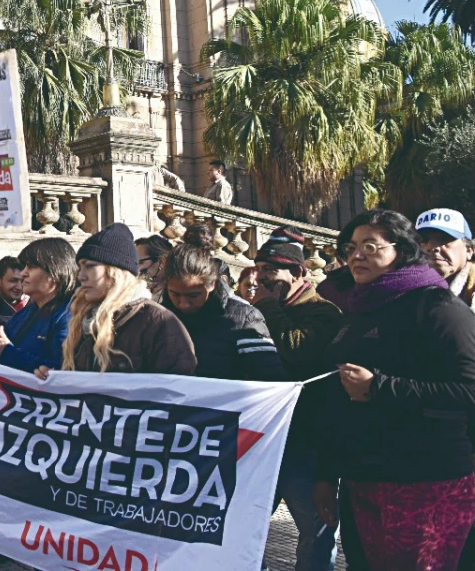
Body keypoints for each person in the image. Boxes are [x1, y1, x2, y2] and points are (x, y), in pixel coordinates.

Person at [312, 210, 475, 571]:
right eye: (350, 247)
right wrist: (327, 474)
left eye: (370, 246)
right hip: (363, 479)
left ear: (401, 250)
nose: (357, 255)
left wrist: (381, 388)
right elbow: (338, 401)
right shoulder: (359, 309)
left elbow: (469, 390)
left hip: (427, 479)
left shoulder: (438, 307)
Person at [250, 232, 343, 571]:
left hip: (307, 441)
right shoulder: (261, 308)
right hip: (264, 439)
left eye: (272, 270)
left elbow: (298, 349)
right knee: (248, 522)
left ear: (300, 273)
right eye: (260, 268)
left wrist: (268, 308)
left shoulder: (324, 312)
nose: (262, 277)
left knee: (315, 530)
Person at [35, 222, 196, 377]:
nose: (81, 276)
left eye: (89, 266)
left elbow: (177, 390)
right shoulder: (84, 321)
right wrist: (55, 378)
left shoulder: (158, 321)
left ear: (116, 272)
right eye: (80, 267)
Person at [157, 225, 284, 381]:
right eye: (175, 294)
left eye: (193, 295)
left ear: (212, 284)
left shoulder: (243, 319)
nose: (183, 304)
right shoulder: (157, 319)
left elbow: (271, 380)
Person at [0, 237, 78, 373]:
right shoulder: (23, 315)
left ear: (55, 272)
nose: (24, 273)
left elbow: (63, 369)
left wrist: (7, 353)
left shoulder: (69, 317)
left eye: (32, 266)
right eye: (24, 266)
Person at [417, 208, 475, 307]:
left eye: (444, 239)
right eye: (424, 240)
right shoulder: (404, 290)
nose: (432, 247)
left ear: (469, 250)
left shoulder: (471, 288)